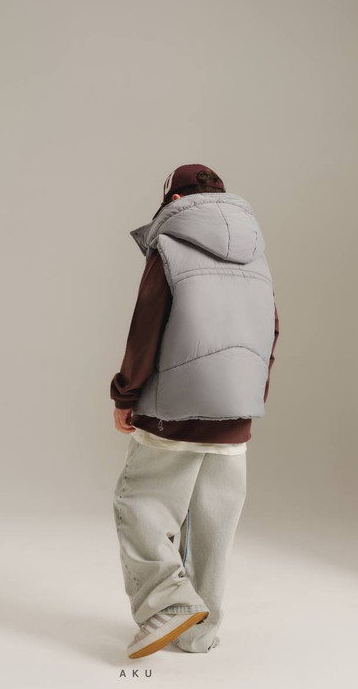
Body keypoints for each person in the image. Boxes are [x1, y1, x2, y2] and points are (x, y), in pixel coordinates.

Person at [110, 164, 279, 660]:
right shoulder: (257, 254)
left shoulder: (168, 245)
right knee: (212, 528)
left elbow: (145, 329)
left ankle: (167, 604)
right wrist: (248, 397)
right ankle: (199, 633)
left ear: (175, 199)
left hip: (174, 408)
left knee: (140, 504)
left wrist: (125, 396)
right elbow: (271, 330)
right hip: (236, 413)